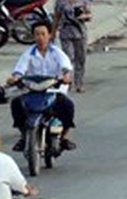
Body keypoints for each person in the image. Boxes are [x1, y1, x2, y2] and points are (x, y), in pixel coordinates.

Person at [7, 21, 76, 151]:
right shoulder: (28, 54)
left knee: (68, 106)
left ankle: (64, 137)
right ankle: (24, 136)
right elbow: (19, 70)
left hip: (54, 90)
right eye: (37, 34)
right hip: (33, 90)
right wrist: (14, 78)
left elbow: (65, 67)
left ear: (49, 35)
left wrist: (66, 76)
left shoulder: (57, 53)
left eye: (43, 34)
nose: (40, 37)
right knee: (16, 104)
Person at [54, 0, 91, 92]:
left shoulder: (82, 1)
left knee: (80, 59)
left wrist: (83, 17)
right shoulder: (61, 2)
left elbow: (89, 15)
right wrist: (53, 32)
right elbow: (56, 17)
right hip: (66, 32)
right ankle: (67, 81)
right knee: (68, 58)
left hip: (80, 33)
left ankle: (79, 83)